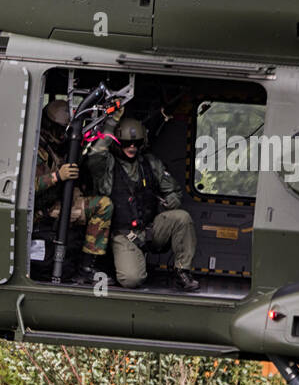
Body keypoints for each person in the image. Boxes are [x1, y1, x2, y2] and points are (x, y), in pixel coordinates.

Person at [84, 117, 200, 292]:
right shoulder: (106, 165)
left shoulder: (150, 163)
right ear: (117, 142)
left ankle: (182, 271)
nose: (132, 147)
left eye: (136, 143)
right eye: (127, 143)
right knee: (131, 279)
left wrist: (171, 200)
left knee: (182, 218)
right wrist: (111, 124)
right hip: (122, 234)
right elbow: (95, 154)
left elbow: (174, 191)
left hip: (149, 229)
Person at [33, 99, 113, 283]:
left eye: (65, 130)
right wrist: (57, 177)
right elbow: (27, 189)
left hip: (58, 202)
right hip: (40, 211)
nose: (62, 135)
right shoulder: (36, 151)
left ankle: (86, 266)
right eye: (59, 130)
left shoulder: (61, 148)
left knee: (103, 205)